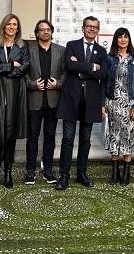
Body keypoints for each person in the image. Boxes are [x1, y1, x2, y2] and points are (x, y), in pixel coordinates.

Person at [55, 16, 108, 190]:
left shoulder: (101, 51)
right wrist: (92, 67)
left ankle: (81, 174)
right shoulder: (72, 45)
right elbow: (70, 67)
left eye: (95, 27)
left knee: (85, 139)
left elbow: (104, 74)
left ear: (98, 30)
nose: (91, 29)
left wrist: (82, 68)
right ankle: (64, 176)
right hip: (71, 99)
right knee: (68, 139)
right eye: (89, 26)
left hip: (90, 101)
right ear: (83, 28)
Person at [0, 14, 30, 189]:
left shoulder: (23, 46)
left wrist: (4, 66)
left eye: (15, 24)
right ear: (3, 26)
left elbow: (24, 68)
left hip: (15, 93)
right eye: (9, 24)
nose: (11, 27)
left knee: (10, 135)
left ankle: (8, 172)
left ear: (18, 28)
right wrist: (11, 65)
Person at [24, 19, 65, 185]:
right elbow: (23, 74)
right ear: (37, 33)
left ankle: (48, 170)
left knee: (50, 136)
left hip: (53, 101)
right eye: (42, 30)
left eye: (48, 29)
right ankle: (30, 171)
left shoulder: (61, 51)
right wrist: (32, 84)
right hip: (34, 100)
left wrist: (58, 84)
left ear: (52, 32)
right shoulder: (29, 51)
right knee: (32, 136)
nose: (45, 32)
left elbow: (66, 73)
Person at [104, 27, 134, 186]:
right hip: (113, 103)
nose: (123, 40)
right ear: (116, 40)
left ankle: (126, 170)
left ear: (129, 39)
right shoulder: (109, 58)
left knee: (128, 137)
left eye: (126, 37)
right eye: (120, 37)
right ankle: (115, 171)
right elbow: (103, 82)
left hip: (130, 104)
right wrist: (102, 103)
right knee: (114, 137)